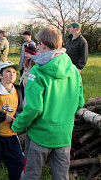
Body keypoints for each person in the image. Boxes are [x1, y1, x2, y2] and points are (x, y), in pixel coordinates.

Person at [11, 26, 84, 180]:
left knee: (31, 175)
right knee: (61, 176)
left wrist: (17, 126)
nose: (37, 46)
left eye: (38, 44)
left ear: (43, 45)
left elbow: (34, 108)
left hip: (40, 136)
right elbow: (79, 102)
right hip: (64, 136)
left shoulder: (37, 71)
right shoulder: (73, 70)